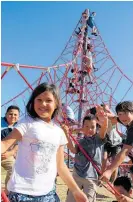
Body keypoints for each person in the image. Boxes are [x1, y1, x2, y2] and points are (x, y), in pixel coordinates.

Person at [1, 83, 88, 202]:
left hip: (48, 194)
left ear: (56, 103)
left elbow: (61, 166)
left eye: (48, 100)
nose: (43, 104)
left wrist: (75, 190)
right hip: (22, 193)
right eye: (39, 100)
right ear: (33, 102)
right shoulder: (27, 122)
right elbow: (5, 143)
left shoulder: (59, 132)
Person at [64, 107, 108, 202]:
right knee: (71, 198)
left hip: (92, 177)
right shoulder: (81, 141)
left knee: (88, 199)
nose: (89, 129)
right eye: (86, 126)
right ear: (83, 127)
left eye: (92, 127)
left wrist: (104, 120)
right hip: (77, 174)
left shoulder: (98, 139)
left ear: (97, 128)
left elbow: (104, 129)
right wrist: (66, 134)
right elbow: (73, 150)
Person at [101, 101, 133, 182]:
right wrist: (104, 114)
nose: (122, 117)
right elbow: (114, 118)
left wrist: (109, 171)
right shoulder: (126, 120)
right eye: (120, 114)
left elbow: (125, 151)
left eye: (125, 113)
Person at [1, 105, 20, 195]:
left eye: (15, 115)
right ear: (6, 114)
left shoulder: (20, 127)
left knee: (13, 168)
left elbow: (19, 143)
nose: (13, 116)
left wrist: (11, 153)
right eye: (10, 114)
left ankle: (7, 193)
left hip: (8, 154)